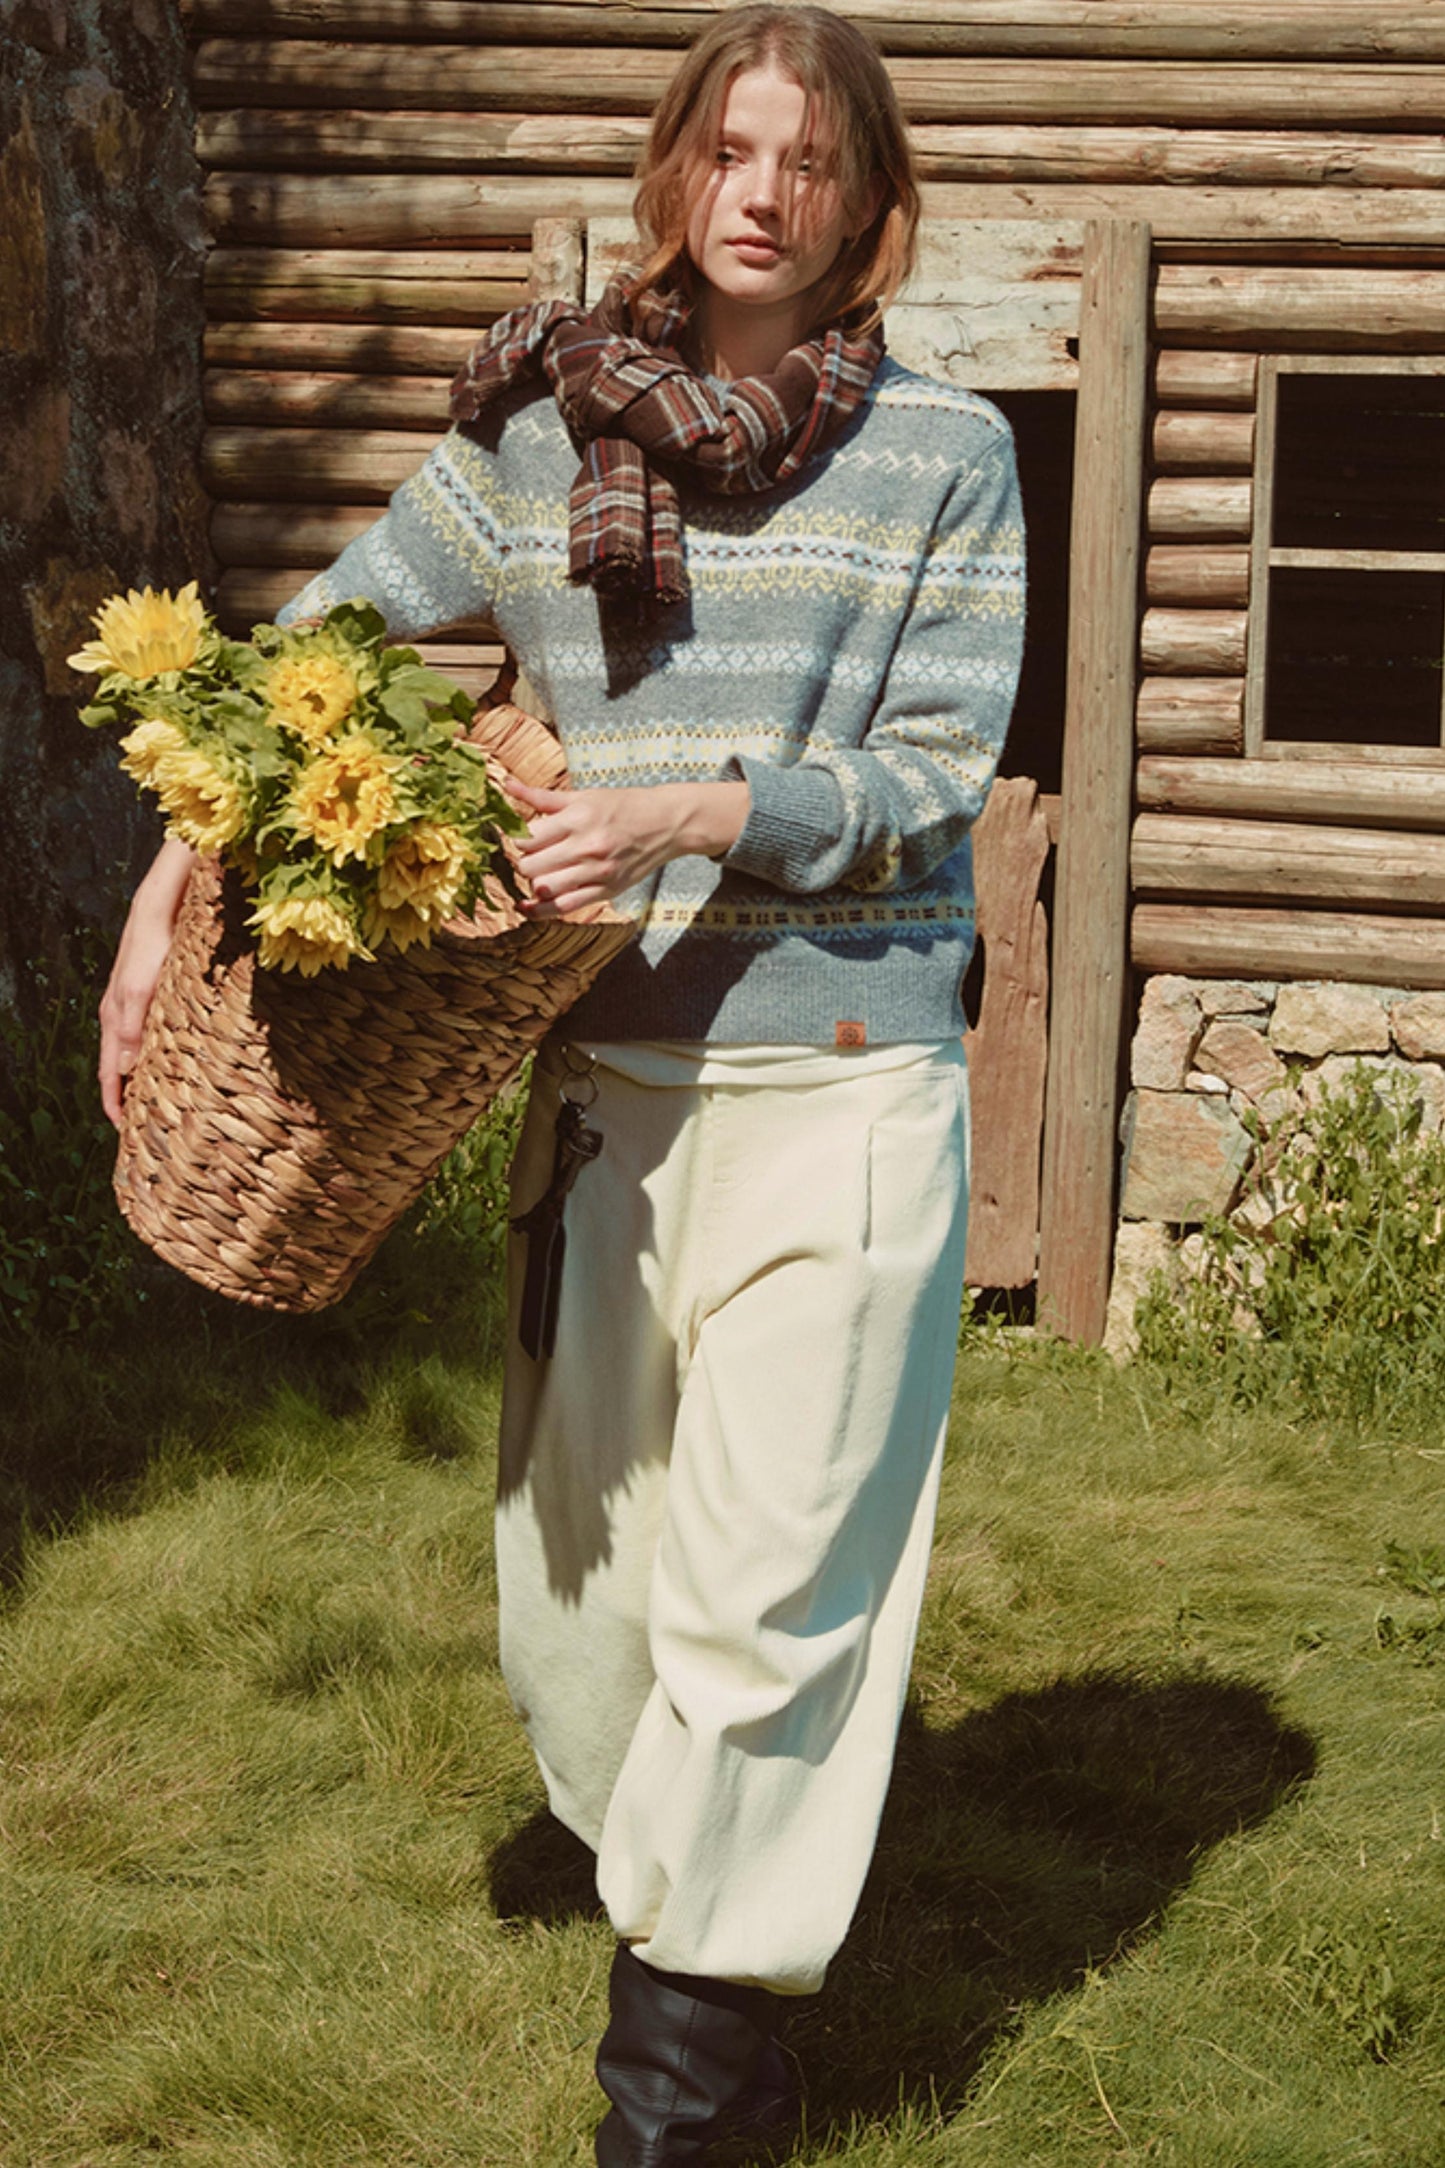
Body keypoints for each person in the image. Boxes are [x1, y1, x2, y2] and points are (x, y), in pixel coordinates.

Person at [99, 6, 1024, 2158]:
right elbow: (315, 646)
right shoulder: (539, 429)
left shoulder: (948, 454)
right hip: (597, 1088)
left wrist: (693, 809)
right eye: (728, 144)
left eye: (809, 156)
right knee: (584, 1627)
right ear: (673, 170)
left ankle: (682, 2098)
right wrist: (176, 861)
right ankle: (715, 1947)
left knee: (772, 1589)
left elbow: (934, 768)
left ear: (871, 201)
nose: (763, 190)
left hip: (845, 1074)